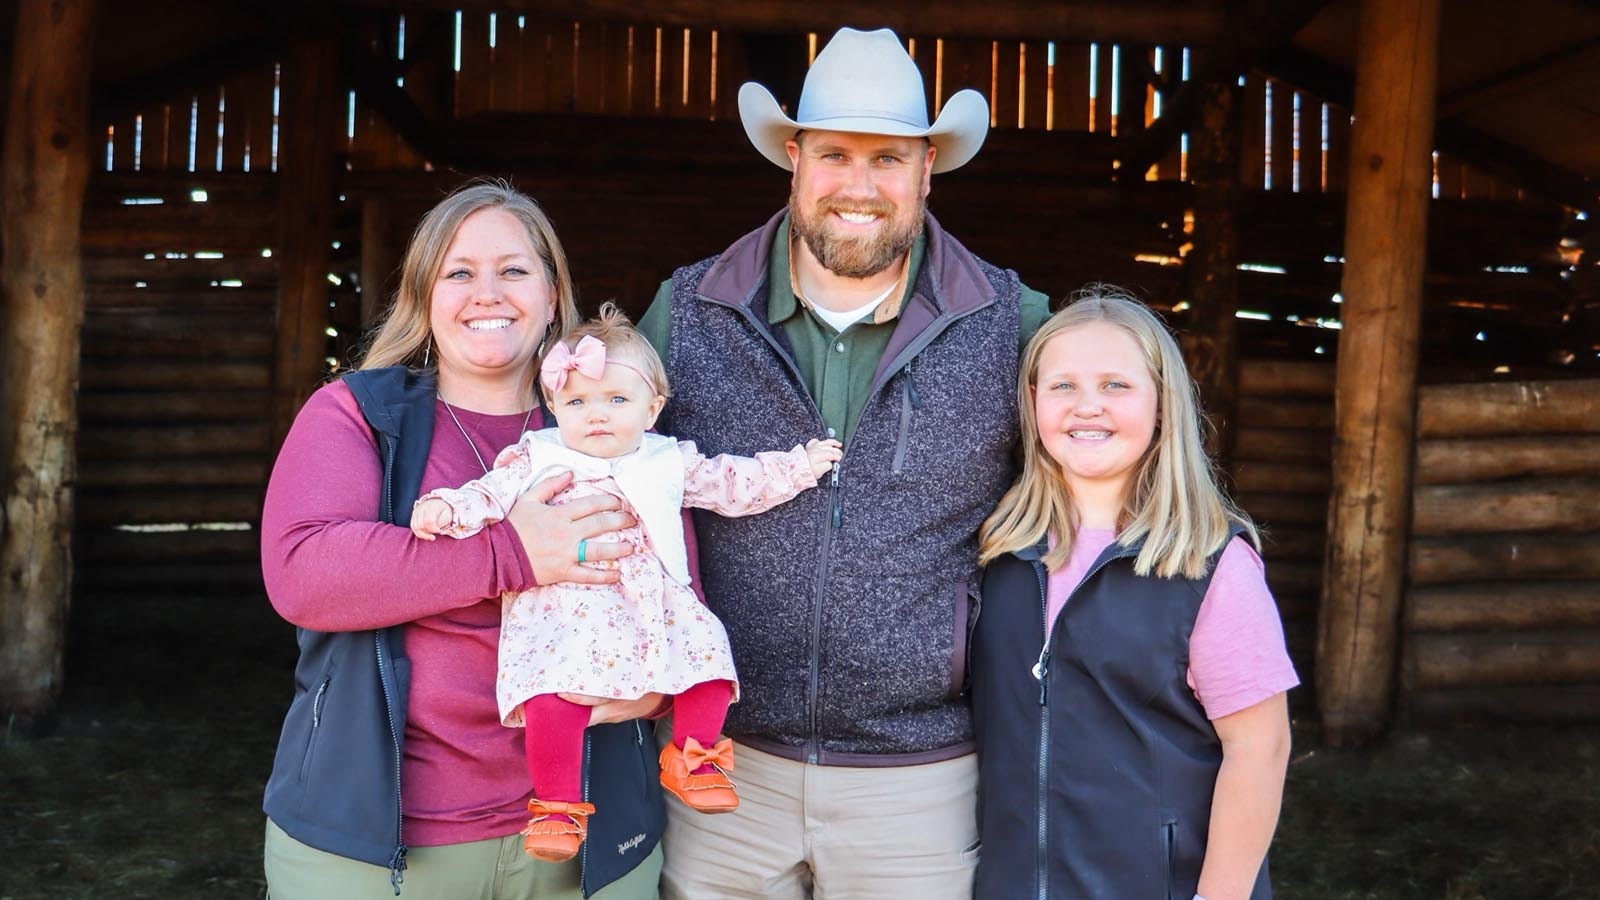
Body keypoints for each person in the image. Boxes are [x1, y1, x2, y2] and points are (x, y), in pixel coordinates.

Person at [638, 26, 1052, 899]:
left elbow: (1094, 500)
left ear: (927, 168)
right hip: (718, 765)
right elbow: (603, 476)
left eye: (889, 160)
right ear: (793, 157)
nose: (859, 187)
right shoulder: (690, 310)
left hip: (921, 782)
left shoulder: (1011, 321)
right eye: (834, 154)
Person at [259, 182, 666, 899]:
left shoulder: (610, 425)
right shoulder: (357, 414)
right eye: (459, 273)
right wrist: (507, 552)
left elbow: (676, 578)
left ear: (551, 296)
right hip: (376, 849)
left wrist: (663, 690)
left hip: (583, 832)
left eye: (513, 271)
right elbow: (303, 572)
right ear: (425, 297)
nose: (488, 293)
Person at [409, 303, 843, 863]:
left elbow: (733, 482)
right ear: (553, 407)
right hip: (563, 612)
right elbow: (486, 495)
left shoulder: (667, 460)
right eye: (578, 401)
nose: (597, 415)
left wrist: (799, 466)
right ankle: (557, 805)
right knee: (552, 700)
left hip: (651, 606)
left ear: (652, 408)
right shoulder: (534, 457)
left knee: (708, 661)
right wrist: (447, 508)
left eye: (617, 400)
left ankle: (695, 755)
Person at [970, 288, 1298, 900]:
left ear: (1163, 406)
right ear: (1032, 403)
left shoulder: (1211, 565)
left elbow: (1260, 748)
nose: (1086, 406)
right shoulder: (998, 552)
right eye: (1062, 386)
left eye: (1116, 386)